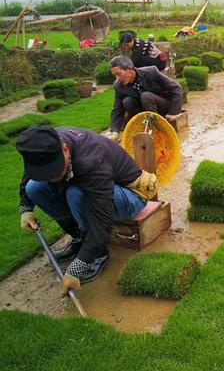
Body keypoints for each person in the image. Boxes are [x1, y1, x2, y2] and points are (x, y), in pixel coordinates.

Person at [16, 126, 158, 295]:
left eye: (56, 171)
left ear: (65, 150)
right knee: (34, 188)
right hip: (94, 186)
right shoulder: (46, 144)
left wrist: (78, 266)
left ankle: (98, 254)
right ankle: (80, 238)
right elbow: (31, 171)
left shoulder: (91, 160)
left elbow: (101, 219)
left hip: (130, 194)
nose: (53, 179)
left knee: (76, 194)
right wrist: (26, 208)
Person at [109, 55, 183, 140]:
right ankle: (142, 125)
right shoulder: (119, 86)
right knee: (127, 101)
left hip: (162, 106)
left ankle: (156, 127)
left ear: (129, 69)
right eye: (114, 75)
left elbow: (176, 88)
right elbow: (117, 109)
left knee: (145, 96)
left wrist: (173, 112)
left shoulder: (151, 72)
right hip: (144, 110)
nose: (117, 78)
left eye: (118, 74)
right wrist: (115, 131)